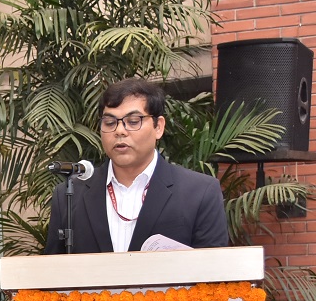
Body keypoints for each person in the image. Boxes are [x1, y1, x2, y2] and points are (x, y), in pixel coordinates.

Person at [43, 77, 229, 254]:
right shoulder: (69, 195)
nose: (119, 131)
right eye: (109, 122)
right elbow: (53, 270)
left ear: (158, 127)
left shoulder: (200, 192)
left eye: (133, 122)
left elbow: (213, 270)